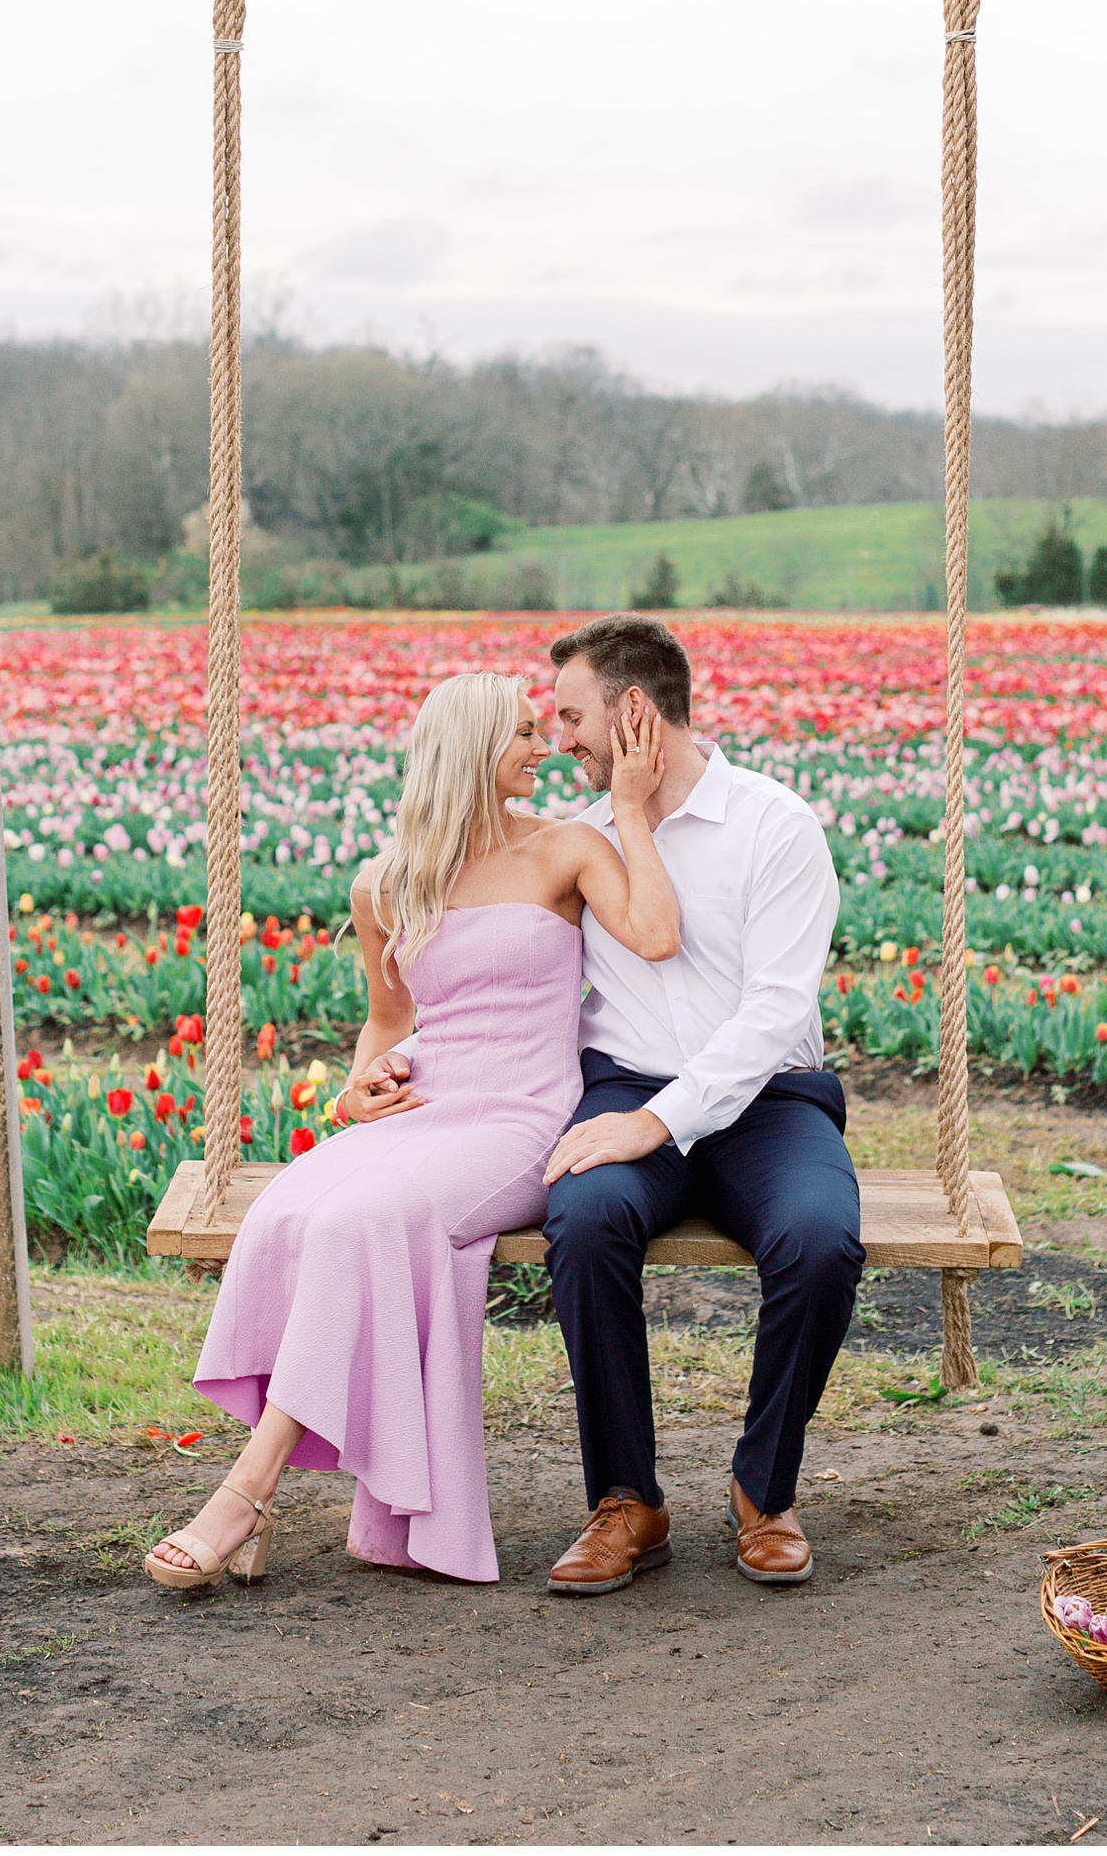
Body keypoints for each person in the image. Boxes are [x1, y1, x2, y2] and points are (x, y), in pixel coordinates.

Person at [146, 668, 680, 1591]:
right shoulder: (386, 881)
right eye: (522, 732)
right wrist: (360, 1088)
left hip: (519, 1117)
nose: (543, 745)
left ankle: (245, 1491)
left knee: (362, 1221)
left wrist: (628, 808)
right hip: (423, 1109)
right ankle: (260, 1488)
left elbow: (659, 933)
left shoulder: (567, 850)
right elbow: (390, 1021)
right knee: (288, 1211)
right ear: (472, 748)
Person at [537, 615, 860, 1592]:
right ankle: (626, 1501)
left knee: (819, 1237)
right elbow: (521, 979)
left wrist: (660, 1119)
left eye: (571, 714)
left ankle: (763, 1487)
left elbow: (774, 1011)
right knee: (584, 1219)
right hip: (628, 1085)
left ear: (633, 711)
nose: (558, 739)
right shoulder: (578, 839)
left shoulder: (773, 824)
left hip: (765, 1102)